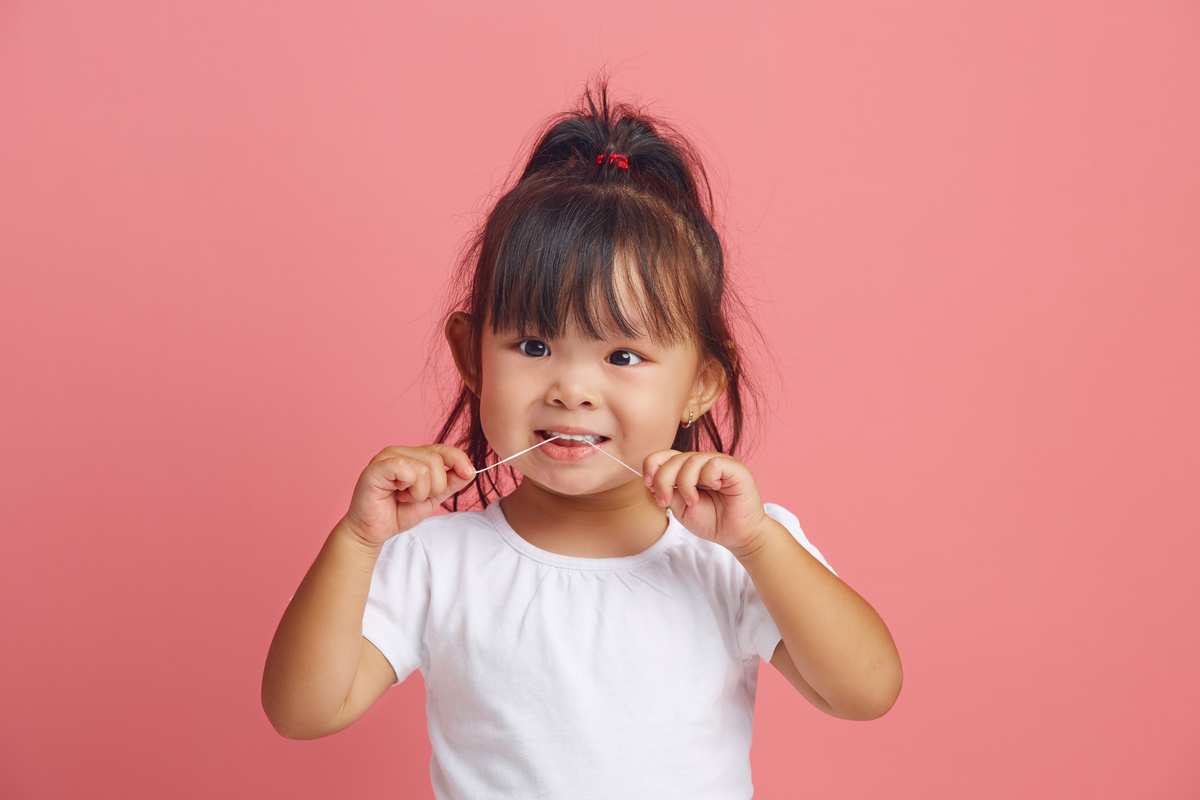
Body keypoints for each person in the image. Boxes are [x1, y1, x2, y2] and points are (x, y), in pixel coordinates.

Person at [262, 84, 902, 799]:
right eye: (533, 344)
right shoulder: (436, 562)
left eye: (622, 357)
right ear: (473, 358)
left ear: (701, 383)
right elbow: (302, 712)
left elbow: (866, 691)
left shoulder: (736, 554)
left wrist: (757, 546)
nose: (571, 388)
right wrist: (355, 542)